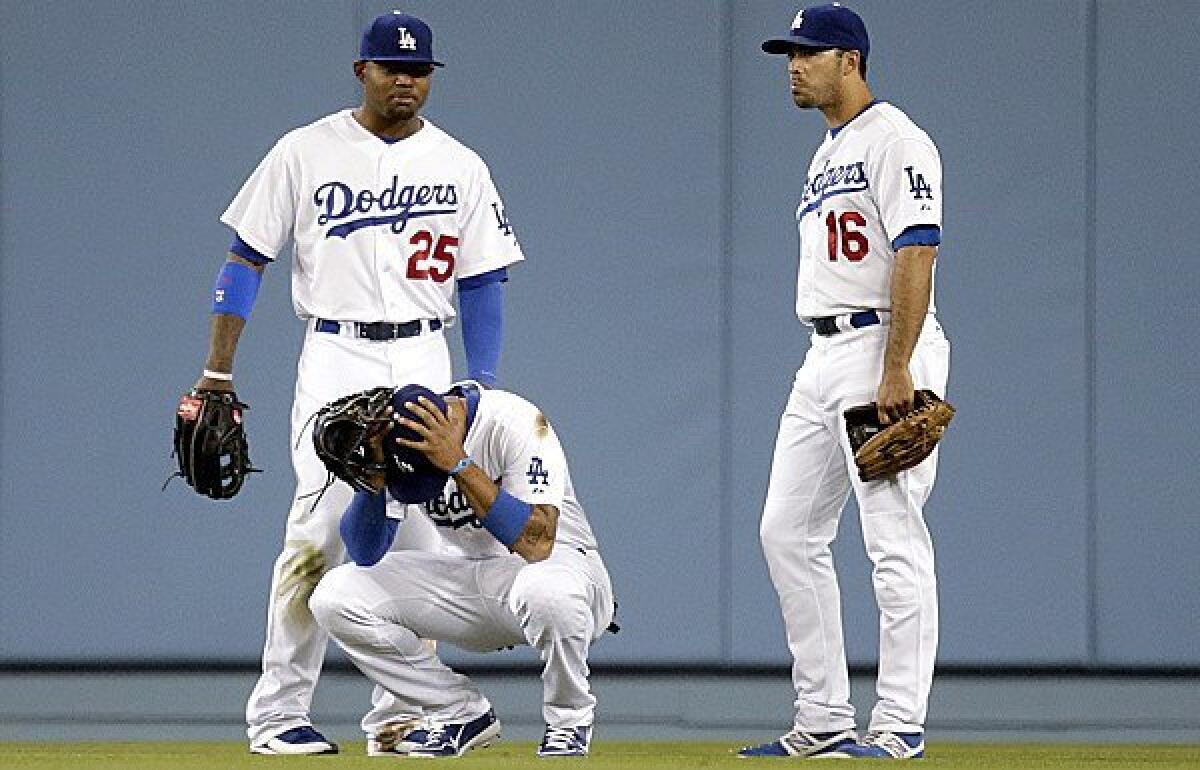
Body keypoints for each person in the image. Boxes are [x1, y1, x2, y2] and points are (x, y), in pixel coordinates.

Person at [184, 11, 525, 754]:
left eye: (420, 69)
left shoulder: (461, 164)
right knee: (315, 529)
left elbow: (484, 280)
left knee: (425, 536)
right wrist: (218, 369)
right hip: (337, 355)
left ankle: (401, 715)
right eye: (390, 66)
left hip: (428, 356)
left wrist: (484, 385)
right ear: (360, 71)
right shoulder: (304, 151)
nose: (406, 78)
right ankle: (278, 715)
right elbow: (245, 259)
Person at [739, 4, 949, 761]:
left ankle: (897, 726)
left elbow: (917, 252)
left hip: (882, 347)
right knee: (785, 532)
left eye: (808, 52)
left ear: (851, 60)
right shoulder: (828, 152)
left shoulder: (897, 139)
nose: (793, 66)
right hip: (823, 353)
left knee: (893, 540)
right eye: (789, 54)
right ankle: (824, 718)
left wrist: (898, 365)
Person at [306, 381, 615, 758]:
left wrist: (458, 463)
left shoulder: (513, 421)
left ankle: (569, 722)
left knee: (546, 593)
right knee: (335, 595)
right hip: (476, 580)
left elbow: (537, 541)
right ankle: (458, 711)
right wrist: (372, 479)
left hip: (566, 572)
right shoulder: (403, 437)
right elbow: (366, 551)